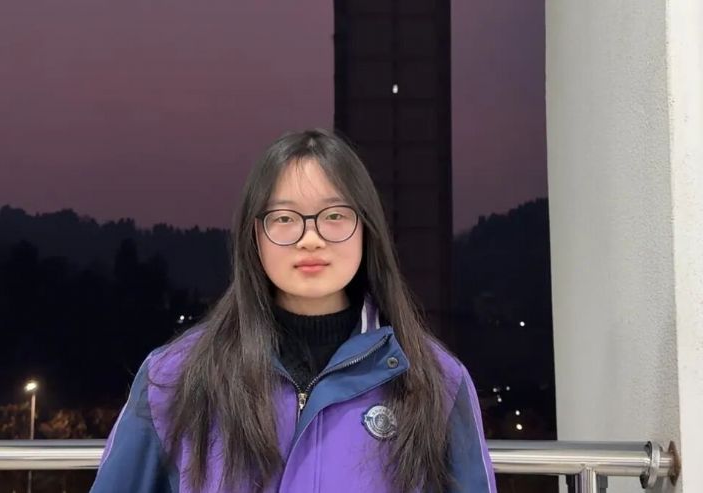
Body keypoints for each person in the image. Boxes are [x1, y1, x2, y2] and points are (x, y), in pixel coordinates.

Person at [90, 129, 496, 492]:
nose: (311, 238)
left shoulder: (436, 381)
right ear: (256, 235)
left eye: (334, 216)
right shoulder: (174, 377)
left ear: (366, 229)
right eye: (284, 218)